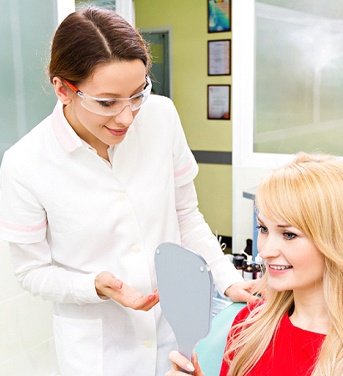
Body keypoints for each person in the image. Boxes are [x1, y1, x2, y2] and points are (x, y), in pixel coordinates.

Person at [0, 6, 254, 376]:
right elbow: (31, 271)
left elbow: (185, 214)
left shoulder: (162, 117)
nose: (126, 117)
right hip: (97, 353)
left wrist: (228, 279)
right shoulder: (25, 163)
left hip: (174, 331)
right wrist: (93, 286)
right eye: (106, 102)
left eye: (138, 94)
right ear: (62, 89)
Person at [167, 152, 343, 376]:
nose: (264, 251)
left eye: (288, 234)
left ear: (339, 240)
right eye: (264, 229)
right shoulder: (249, 325)